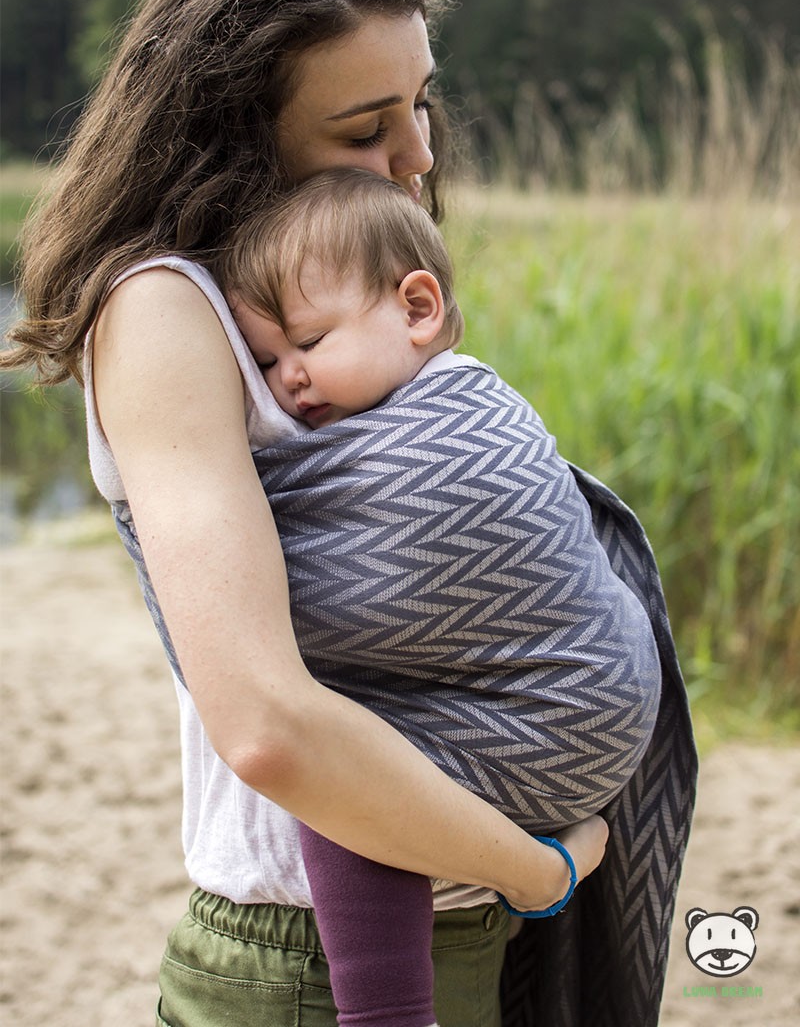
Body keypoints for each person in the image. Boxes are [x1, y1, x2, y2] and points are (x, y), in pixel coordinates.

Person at [1, 0, 696, 1025]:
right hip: (314, 954)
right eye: (365, 128)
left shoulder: (328, 281)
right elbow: (271, 725)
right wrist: (536, 873)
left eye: (420, 104)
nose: (416, 153)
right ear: (234, 129)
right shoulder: (167, 310)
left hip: (449, 917)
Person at [218, 165, 665, 1025]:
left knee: (339, 776)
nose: (287, 383)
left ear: (418, 309)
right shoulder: (442, 397)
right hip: (596, 727)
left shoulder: (462, 416)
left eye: (308, 343)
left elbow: (386, 564)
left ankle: (386, 1013)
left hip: (553, 717)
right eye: (268, 362)